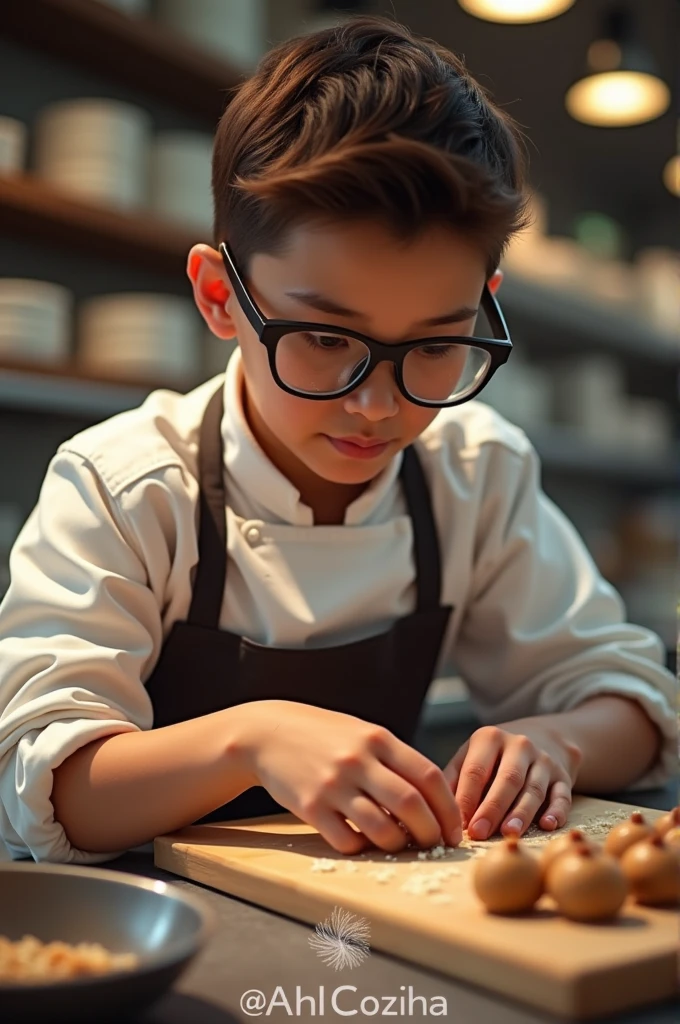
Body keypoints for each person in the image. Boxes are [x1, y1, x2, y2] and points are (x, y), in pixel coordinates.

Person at [0, 16, 674, 866]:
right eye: (325, 340)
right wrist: (252, 738)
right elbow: (46, 788)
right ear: (219, 297)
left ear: (484, 302)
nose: (377, 406)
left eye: (436, 346)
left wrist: (557, 742)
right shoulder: (128, 485)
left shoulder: (473, 472)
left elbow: (637, 704)